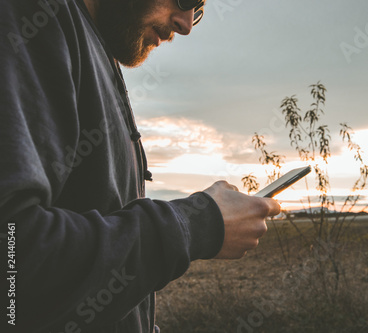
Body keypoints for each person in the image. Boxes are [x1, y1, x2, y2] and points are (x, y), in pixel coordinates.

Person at [0, 0, 281, 332]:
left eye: (199, 10)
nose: (186, 25)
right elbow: (15, 263)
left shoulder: (96, 46)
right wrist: (199, 223)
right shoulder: (33, 15)